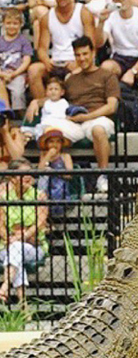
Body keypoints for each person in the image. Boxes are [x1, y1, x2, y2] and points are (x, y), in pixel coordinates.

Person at [60, 37, 118, 191]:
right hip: (75, 121)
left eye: (85, 54)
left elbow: (111, 106)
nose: (82, 58)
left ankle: (102, 175)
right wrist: (36, 103)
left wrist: (87, 117)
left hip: (99, 118)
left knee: (98, 129)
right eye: (78, 55)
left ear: (93, 53)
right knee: (51, 131)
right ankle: (57, 179)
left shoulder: (107, 75)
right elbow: (57, 97)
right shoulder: (71, 79)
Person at [28, 0, 96, 101]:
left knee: (76, 74)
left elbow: (91, 45)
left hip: (78, 60)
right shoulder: (47, 17)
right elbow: (42, 49)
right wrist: (46, 61)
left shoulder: (83, 12)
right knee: (34, 70)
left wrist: (79, 64)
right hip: (56, 62)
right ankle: (45, 107)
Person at [0, 157, 48, 303]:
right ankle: (23, 305)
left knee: (16, 249)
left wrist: (21, 236)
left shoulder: (39, 196)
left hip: (34, 246)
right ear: (12, 178)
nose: (28, 177)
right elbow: (0, 225)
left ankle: (5, 287)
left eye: (30, 173)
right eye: (23, 174)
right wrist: (9, 239)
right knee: (16, 253)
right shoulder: (3, 196)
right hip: (6, 246)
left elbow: (40, 223)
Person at [0, 8, 31, 110]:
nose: (11, 26)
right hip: (1, 73)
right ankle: (3, 114)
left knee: (18, 92)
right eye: (8, 23)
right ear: (3, 23)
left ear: (21, 24)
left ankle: (19, 113)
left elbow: (26, 60)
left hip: (17, 73)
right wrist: (2, 74)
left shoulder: (24, 41)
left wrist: (15, 73)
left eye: (15, 23)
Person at [35, 124, 69, 204]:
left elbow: (69, 175)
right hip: (45, 185)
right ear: (46, 144)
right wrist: (48, 155)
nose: (55, 144)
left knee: (59, 191)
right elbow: (40, 169)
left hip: (60, 184)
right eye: (51, 141)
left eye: (58, 142)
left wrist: (55, 172)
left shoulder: (65, 156)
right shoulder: (44, 155)